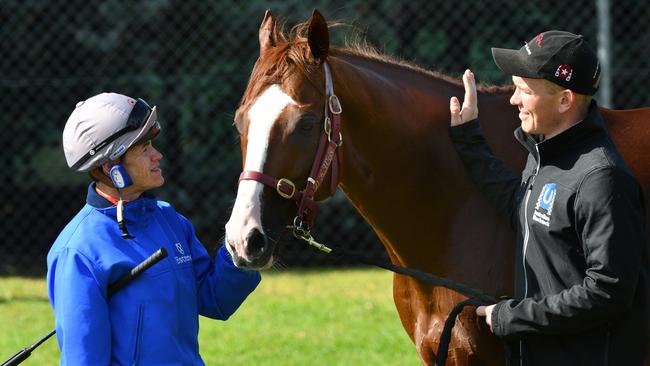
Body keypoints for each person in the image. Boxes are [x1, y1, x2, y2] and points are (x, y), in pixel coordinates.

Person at [448, 31, 648, 365]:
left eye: (524, 90)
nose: (514, 100)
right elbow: (523, 207)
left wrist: (512, 317)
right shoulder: (547, 154)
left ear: (565, 100)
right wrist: (467, 139)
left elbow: (608, 292)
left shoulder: (602, 179)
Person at [47, 92, 261, 365]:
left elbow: (216, 299)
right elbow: (84, 359)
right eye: (144, 148)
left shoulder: (170, 219)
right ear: (111, 165)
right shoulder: (77, 251)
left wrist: (242, 245)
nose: (157, 155)